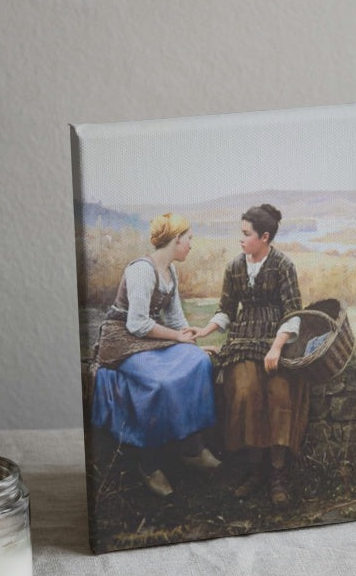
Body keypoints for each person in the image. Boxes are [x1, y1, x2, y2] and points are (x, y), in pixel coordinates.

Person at [91, 212, 220, 497]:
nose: (191, 245)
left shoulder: (170, 271)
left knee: (198, 362)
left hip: (149, 337)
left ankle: (192, 449)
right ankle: (148, 465)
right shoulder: (141, 270)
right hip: (121, 340)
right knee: (159, 382)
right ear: (176, 240)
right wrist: (176, 338)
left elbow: (175, 319)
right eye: (189, 240)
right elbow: (136, 324)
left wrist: (192, 345)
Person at [194, 204, 309, 506]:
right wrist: (204, 331)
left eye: (247, 234)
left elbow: (294, 312)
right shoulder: (234, 267)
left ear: (265, 237)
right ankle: (256, 469)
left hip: (276, 341)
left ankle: (277, 473)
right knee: (246, 393)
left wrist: (276, 347)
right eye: (241, 233)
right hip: (243, 340)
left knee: (280, 394)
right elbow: (226, 311)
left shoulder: (283, 265)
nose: (241, 240)